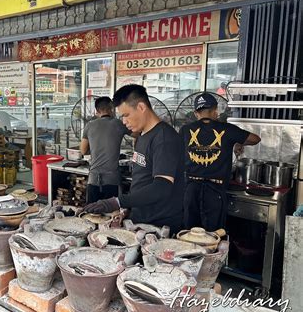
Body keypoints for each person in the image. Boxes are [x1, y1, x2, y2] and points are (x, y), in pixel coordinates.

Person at [81, 85, 185, 234]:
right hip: (141, 219)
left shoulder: (164, 138)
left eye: (126, 115)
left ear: (141, 107)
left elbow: (162, 187)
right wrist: (127, 209)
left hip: (160, 226)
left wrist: (118, 201)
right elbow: (141, 181)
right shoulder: (142, 135)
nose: (123, 122)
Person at [180, 92, 261, 231]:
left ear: (195, 113)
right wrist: (238, 141)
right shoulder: (227, 129)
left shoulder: (185, 130)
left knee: (189, 233)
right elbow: (255, 139)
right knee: (213, 236)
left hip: (191, 190)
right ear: (215, 111)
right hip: (215, 192)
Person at [80, 96, 130, 203]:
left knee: (91, 214)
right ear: (112, 108)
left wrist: (95, 150)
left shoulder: (89, 125)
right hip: (112, 181)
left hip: (93, 180)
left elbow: (83, 150)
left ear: (97, 111)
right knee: (111, 215)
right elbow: (137, 133)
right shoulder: (118, 124)